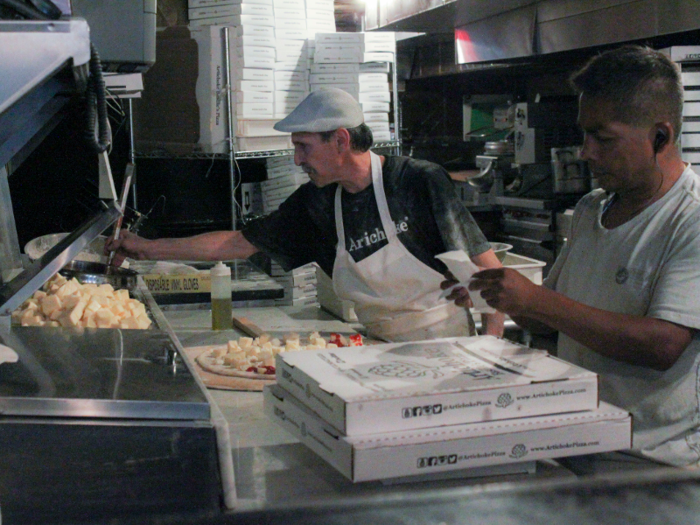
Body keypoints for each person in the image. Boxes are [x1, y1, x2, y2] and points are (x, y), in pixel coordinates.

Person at [444, 45, 700, 466]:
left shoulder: (688, 218)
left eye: (603, 137)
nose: (586, 152)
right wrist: (490, 291)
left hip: (650, 460)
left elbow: (664, 343)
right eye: (585, 134)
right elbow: (549, 318)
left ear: (661, 136)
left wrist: (536, 299)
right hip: (575, 438)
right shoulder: (591, 209)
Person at [108, 87, 504, 342]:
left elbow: (489, 270)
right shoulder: (315, 202)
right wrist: (146, 247)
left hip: (446, 345)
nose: (297, 159)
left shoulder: (418, 182)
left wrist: (491, 347)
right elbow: (235, 243)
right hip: (375, 346)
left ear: (341, 140)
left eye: (304, 147)